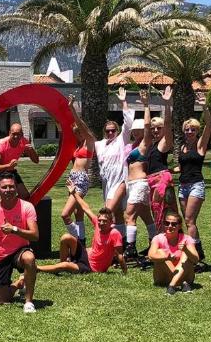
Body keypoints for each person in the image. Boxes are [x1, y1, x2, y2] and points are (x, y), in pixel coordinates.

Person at [40, 179, 126, 276]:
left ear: (111, 222)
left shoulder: (114, 234)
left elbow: (120, 255)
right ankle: (62, 264)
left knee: (65, 265)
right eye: (100, 220)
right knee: (66, 237)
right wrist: (74, 193)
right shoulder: (97, 224)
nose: (101, 223)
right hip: (85, 256)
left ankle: (37, 268)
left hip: (91, 267)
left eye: (105, 221)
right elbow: (85, 207)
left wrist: (125, 272)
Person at [0, 172, 39, 313]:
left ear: (16, 188)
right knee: (3, 300)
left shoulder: (27, 207)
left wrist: (14, 229)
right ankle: (19, 283)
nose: (8, 190)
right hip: (0, 256)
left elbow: (35, 235)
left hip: (20, 251)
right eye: (4, 187)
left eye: (11, 186)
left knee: (29, 258)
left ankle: (29, 302)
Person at [94, 86, 136, 251]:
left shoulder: (121, 140)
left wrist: (123, 102)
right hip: (107, 184)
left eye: (113, 131)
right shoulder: (100, 145)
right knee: (118, 215)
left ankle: (103, 246)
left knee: (106, 213)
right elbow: (85, 136)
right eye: (107, 131)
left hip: (120, 182)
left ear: (117, 131)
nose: (110, 133)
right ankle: (122, 245)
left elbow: (129, 123)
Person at [177, 92, 211, 270]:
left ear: (197, 131)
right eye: (187, 129)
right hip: (182, 186)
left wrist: (204, 106)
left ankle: (193, 257)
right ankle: (198, 253)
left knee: (190, 220)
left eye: (193, 129)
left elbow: (209, 125)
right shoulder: (182, 147)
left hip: (196, 186)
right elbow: (181, 167)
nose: (190, 131)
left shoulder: (200, 145)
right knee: (188, 221)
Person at [123, 89, 154, 266]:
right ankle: (154, 243)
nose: (135, 132)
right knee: (146, 217)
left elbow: (148, 126)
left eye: (139, 130)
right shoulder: (133, 145)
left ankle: (130, 249)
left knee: (129, 216)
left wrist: (146, 105)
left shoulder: (144, 144)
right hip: (133, 184)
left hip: (140, 183)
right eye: (134, 130)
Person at [59, 95, 96, 241]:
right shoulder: (79, 145)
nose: (78, 134)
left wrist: (72, 108)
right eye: (76, 133)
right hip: (73, 178)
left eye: (79, 132)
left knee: (65, 214)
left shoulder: (90, 141)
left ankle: (78, 239)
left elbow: (82, 126)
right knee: (77, 213)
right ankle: (82, 242)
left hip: (81, 179)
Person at [145, 85, 176, 238]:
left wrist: (167, 104)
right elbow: (146, 127)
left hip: (161, 180)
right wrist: (146, 105)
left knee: (164, 213)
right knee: (157, 213)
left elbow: (169, 124)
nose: (155, 130)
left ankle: (167, 242)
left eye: (158, 128)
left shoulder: (164, 142)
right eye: (153, 128)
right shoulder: (152, 144)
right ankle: (162, 241)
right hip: (152, 181)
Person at [148, 210, 200, 295]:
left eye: (174, 224)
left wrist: (186, 250)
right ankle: (181, 283)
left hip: (186, 276)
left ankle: (172, 285)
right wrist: (166, 257)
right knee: (160, 252)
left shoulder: (187, 239)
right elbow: (150, 256)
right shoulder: (158, 238)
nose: (169, 226)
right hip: (163, 278)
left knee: (186, 254)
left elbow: (196, 259)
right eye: (167, 223)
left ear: (179, 226)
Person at [0, 122, 39, 201]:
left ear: (22, 134)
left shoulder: (24, 142)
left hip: (10, 169)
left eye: (18, 134)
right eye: (13, 134)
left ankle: (14, 207)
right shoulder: (1, 144)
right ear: (9, 133)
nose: (16, 137)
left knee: (25, 195)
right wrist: (9, 165)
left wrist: (32, 151)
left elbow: (36, 161)